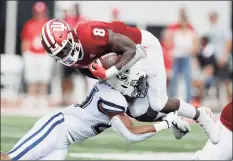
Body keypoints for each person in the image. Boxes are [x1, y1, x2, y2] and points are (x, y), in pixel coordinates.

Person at [41, 19, 219, 144]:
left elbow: (132, 49)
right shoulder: (77, 63)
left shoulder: (90, 34)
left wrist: (110, 72)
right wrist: (120, 81)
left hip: (143, 47)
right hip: (124, 64)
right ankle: (172, 119)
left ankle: (200, 114)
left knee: (158, 102)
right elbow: (102, 73)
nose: (66, 55)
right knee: (137, 110)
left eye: (66, 49)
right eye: (60, 54)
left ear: (71, 35)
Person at [0, 72, 190, 160]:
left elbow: (142, 116)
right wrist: (165, 123)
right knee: (10, 159)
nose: (138, 89)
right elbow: (130, 134)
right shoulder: (112, 97)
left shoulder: (116, 93)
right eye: (135, 84)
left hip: (64, 142)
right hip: (55, 128)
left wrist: (168, 119)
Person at [21, 1, 53, 108]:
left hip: (44, 55)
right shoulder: (29, 24)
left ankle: (43, 98)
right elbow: (25, 40)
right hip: (32, 54)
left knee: (44, 78)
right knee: (31, 78)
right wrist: (26, 54)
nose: (40, 14)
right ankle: (31, 97)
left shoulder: (49, 24)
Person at [207, 11, 232, 102]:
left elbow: (229, 42)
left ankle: (230, 101)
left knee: (225, 80)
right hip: (214, 58)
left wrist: (224, 57)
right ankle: (219, 101)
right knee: (215, 80)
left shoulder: (222, 27)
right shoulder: (212, 28)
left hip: (222, 58)